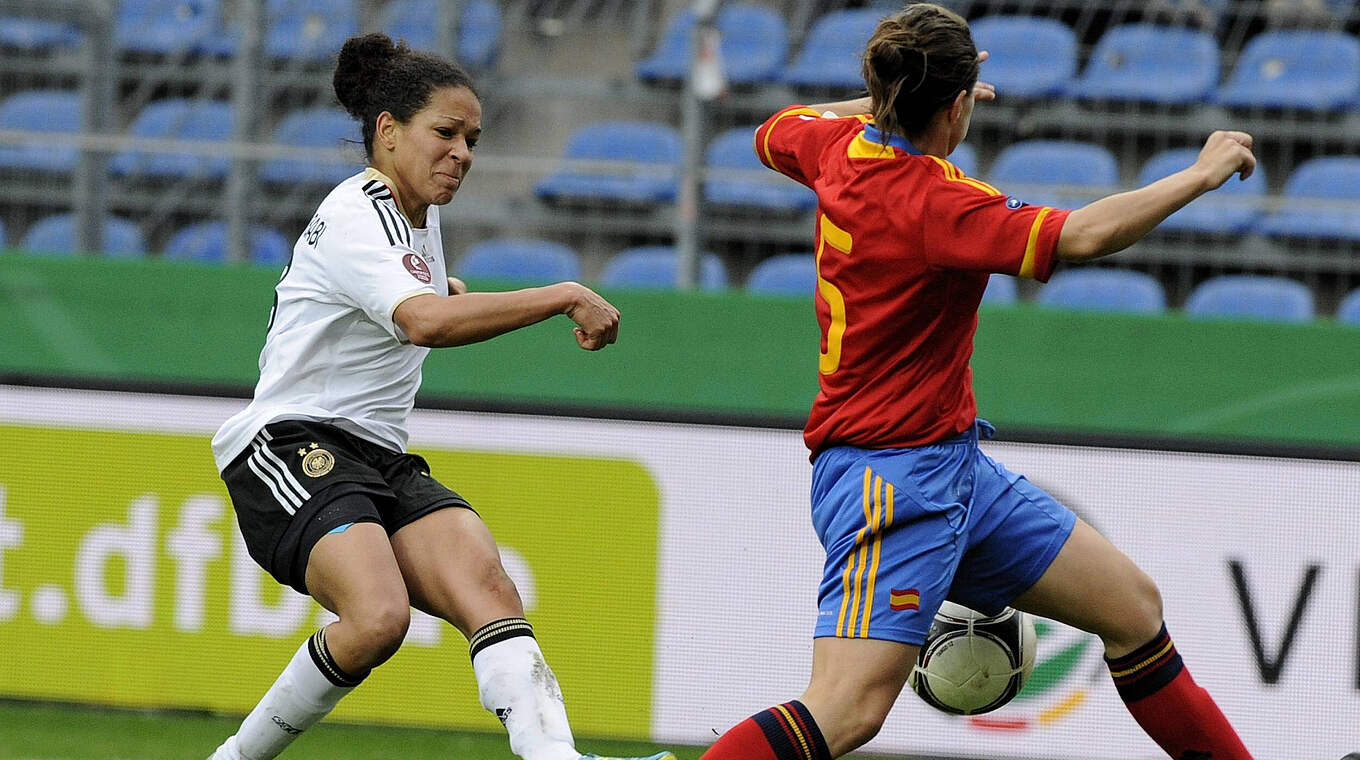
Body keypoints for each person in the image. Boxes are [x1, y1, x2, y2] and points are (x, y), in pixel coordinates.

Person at [701, 5, 1258, 760]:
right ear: (960, 104)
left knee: (1132, 609)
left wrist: (891, 97)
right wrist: (1199, 173)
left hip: (952, 467)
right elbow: (1084, 235)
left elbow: (776, 127)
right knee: (847, 710)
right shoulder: (934, 202)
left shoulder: (836, 147)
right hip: (890, 482)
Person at [206, 33, 672, 760]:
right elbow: (421, 319)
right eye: (446, 133)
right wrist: (563, 294)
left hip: (376, 456)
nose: (463, 152)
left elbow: (419, 298)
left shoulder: (416, 213)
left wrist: (450, 292)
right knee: (378, 617)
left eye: (473, 139)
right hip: (291, 445)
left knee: (487, 587)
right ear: (387, 132)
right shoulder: (362, 210)